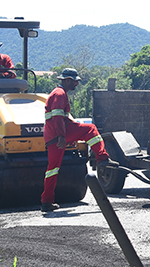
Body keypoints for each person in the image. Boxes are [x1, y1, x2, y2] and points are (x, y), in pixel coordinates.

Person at [41, 68, 109, 213]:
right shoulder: (60, 94)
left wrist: (65, 137)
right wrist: (62, 136)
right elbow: (58, 117)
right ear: (67, 81)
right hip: (58, 133)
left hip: (51, 136)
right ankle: (102, 159)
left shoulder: (56, 93)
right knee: (90, 129)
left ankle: (47, 201)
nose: (77, 84)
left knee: (52, 170)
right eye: (75, 82)